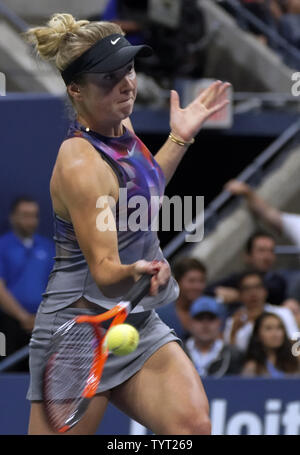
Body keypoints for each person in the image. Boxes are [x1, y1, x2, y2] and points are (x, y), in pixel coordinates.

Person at [24, 13, 230, 435]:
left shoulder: (122, 126)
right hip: (79, 332)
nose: (127, 84)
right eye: (109, 78)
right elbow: (105, 272)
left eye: (129, 70)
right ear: (75, 90)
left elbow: (140, 194)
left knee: (191, 429)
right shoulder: (81, 164)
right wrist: (140, 271)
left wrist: (180, 138)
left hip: (133, 318)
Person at [0, 197, 54, 371]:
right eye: (25, 215)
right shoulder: (3, 246)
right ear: (13, 217)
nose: (30, 220)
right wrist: (23, 317)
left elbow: (56, 286)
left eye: (34, 216)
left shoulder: (47, 247)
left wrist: (41, 316)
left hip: (42, 323)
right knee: (8, 372)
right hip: (9, 324)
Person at [206, 231, 287, 308]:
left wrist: (238, 296)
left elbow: (273, 293)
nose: (267, 257)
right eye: (261, 251)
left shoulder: (278, 281)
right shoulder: (238, 278)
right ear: (248, 256)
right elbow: (208, 290)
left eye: (271, 251)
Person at [223, 271, 298, 351]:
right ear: (240, 294)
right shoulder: (234, 321)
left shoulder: (283, 313)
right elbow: (230, 356)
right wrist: (234, 332)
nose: (253, 293)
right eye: (247, 289)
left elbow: (296, 343)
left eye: (257, 287)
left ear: (265, 291)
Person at [184, 296, 244, 378]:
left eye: (211, 318)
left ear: (220, 323)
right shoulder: (178, 351)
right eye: (199, 318)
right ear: (190, 323)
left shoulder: (233, 355)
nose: (205, 325)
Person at [156, 257, 207, 340]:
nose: (197, 286)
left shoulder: (213, 309)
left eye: (201, 281)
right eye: (191, 281)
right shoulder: (160, 315)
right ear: (177, 282)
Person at [242, 312, 300, 377]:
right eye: (268, 328)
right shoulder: (252, 367)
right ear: (257, 334)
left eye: (279, 328)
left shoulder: (296, 359)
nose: (275, 334)